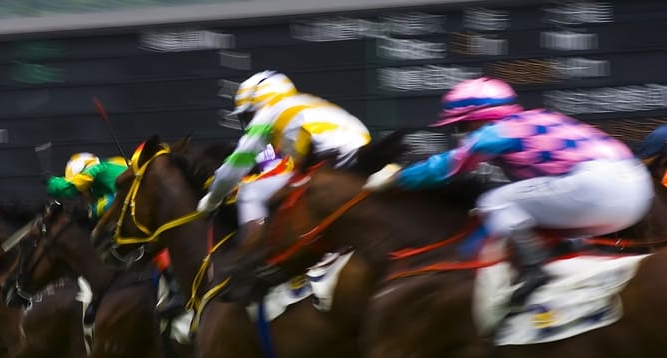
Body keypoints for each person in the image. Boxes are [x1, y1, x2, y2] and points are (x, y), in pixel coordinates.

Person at [393, 77, 653, 310]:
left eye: (462, 127)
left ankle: (533, 269)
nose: (462, 135)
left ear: (480, 118)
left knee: (495, 201)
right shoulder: (540, 118)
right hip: (636, 188)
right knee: (533, 206)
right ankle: (573, 247)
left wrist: (399, 178)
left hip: (598, 187)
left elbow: (450, 165)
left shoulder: (500, 130)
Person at [197, 70, 372, 247]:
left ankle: (254, 253)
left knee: (251, 192)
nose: (249, 122)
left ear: (258, 103)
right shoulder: (307, 103)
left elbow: (234, 168)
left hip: (333, 162)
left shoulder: (268, 114)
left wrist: (213, 198)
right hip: (363, 154)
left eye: (248, 115)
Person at [44, 152, 184, 319]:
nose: (83, 197)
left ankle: (175, 287)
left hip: (149, 210)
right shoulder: (106, 175)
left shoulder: (97, 169)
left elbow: (69, 188)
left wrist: (50, 183)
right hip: (140, 209)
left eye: (83, 193)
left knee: (145, 239)